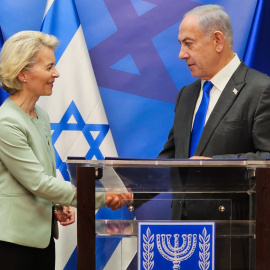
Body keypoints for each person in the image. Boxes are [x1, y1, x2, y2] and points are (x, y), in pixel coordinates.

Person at [0, 30, 132, 270]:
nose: (56, 73)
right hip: (12, 246)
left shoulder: (40, 114)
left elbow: (41, 176)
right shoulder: (6, 123)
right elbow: (38, 183)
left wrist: (56, 205)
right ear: (23, 74)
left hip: (41, 241)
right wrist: (103, 196)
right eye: (49, 67)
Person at [156, 4, 270, 269]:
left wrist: (216, 164)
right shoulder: (186, 95)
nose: (181, 54)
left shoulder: (261, 90)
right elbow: (172, 156)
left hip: (234, 235)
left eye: (188, 43)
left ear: (217, 40)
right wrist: (127, 192)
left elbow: (267, 157)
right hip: (181, 241)